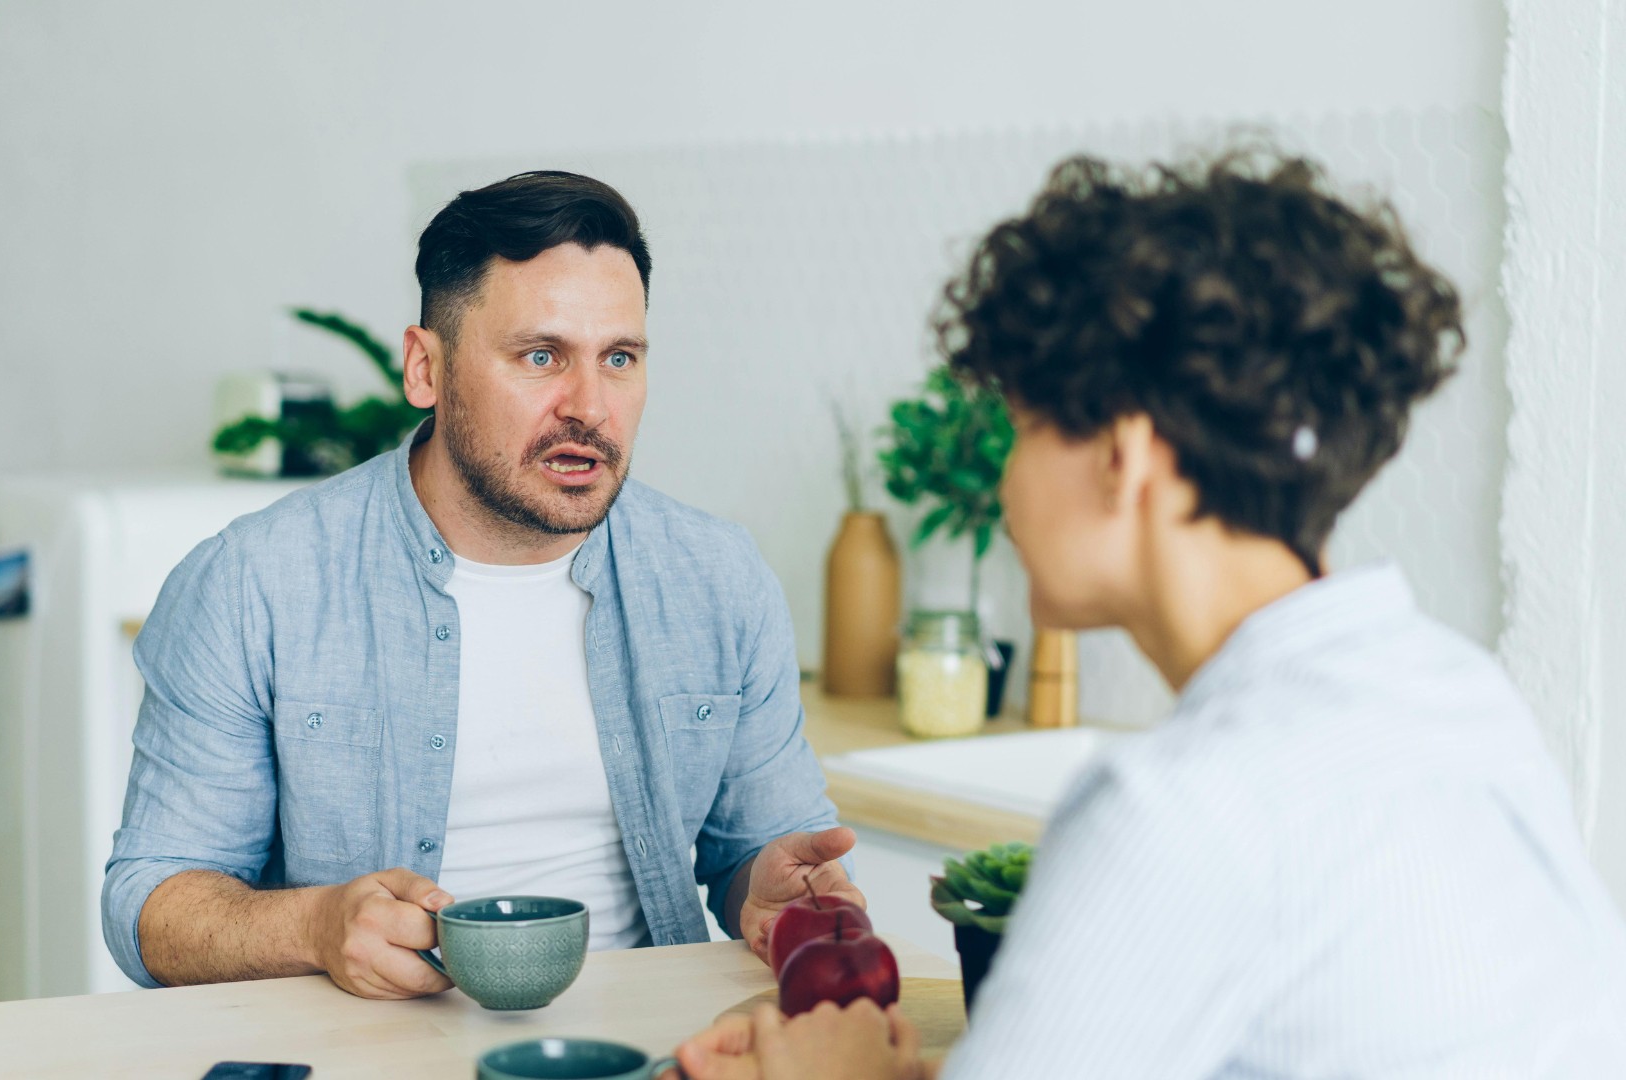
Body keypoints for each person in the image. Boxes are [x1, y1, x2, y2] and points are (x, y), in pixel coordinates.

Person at [674, 150, 1626, 1078]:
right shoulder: (1459, 694)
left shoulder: (1180, 806)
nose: (1005, 485)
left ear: (1121, 458)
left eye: (1024, 427)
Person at [103, 171, 863, 998]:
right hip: (369, 1044)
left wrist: (773, 893)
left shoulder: (719, 579)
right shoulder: (253, 584)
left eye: (619, 358)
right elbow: (150, 905)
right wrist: (315, 926)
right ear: (426, 369)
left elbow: (761, 850)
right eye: (541, 357)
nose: (590, 407)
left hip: (649, 1039)